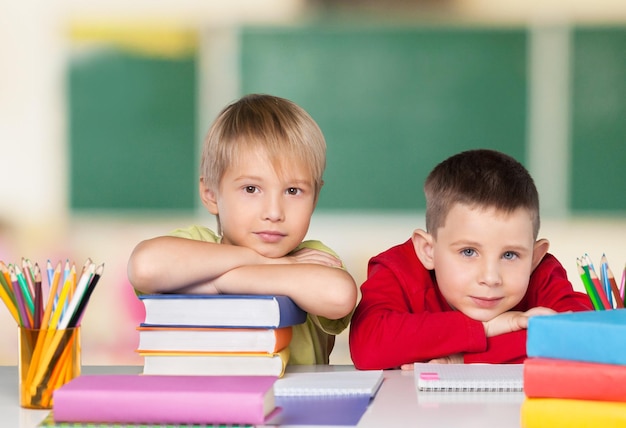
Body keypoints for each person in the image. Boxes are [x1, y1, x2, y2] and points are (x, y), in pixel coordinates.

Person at [128, 93, 357, 365]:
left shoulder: (311, 256)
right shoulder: (196, 246)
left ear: (315, 198)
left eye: (293, 190)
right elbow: (144, 266)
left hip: (293, 406)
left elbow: (340, 296)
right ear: (211, 194)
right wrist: (266, 262)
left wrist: (218, 282)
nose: (273, 212)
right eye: (251, 189)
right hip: (204, 405)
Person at [349, 149, 593, 369]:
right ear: (427, 250)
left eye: (510, 255)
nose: (490, 278)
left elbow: (584, 339)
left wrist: (463, 359)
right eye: (468, 252)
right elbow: (368, 347)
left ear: (534, 258)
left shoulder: (542, 274)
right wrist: (484, 330)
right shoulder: (399, 268)